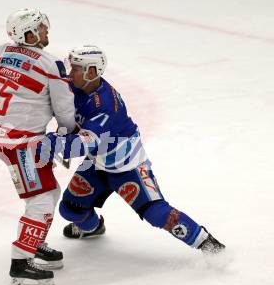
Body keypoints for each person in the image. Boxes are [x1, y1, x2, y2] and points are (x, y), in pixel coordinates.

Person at [37, 45, 225, 257]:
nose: (71, 74)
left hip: (127, 165)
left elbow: (78, 146)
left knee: (156, 212)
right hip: (99, 161)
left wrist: (45, 142)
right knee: (70, 209)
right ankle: (93, 228)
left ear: (91, 72)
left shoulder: (104, 105)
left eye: (76, 69)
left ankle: (209, 245)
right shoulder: (77, 86)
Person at [0, 8, 76, 285]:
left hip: (2, 139)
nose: (46, 31)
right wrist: (68, 133)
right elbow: (64, 109)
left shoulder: (1, 51)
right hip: (23, 145)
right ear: (27, 33)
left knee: (50, 192)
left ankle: (34, 243)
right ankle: (21, 265)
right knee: (41, 199)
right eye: (40, 28)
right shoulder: (51, 65)